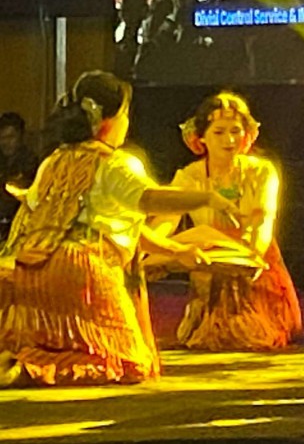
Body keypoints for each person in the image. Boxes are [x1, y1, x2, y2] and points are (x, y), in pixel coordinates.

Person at [0, 72, 236, 387]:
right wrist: (206, 198)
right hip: (82, 272)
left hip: (32, 270)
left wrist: (177, 251)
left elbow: (115, 225)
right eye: (125, 114)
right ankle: (35, 368)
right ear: (108, 121)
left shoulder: (54, 160)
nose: (128, 122)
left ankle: (25, 362)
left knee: (52, 347)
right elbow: (149, 199)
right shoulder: (115, 164)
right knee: (128, 365)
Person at [154, 92, 302, 350]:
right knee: (180, 242)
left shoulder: (261, 172)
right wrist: (154, 249)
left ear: (246, 135)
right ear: (201, 138)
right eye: (219, 132)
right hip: (209, 268)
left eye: (235, 131)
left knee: (201, 235)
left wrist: (249, 255)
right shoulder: (189, 176)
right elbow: (166, 221)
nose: (229, 140)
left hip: (252, 265)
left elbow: (261, 225)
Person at [0, 113, 38, 241]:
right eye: (2, 138)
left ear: (21, 136)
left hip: (20, 223)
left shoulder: (30, 161)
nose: (6, 142)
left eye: (10, 137)